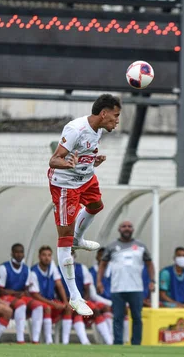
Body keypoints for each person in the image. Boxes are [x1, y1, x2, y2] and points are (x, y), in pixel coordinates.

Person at [48, 94, 122, 315]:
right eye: (116, 116)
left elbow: (86, 152)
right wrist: (66, 162)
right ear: (104, 113)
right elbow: (54, 160)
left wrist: (93, 159)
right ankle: (75, 296)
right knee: (64, 240)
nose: (117, 121)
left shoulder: (98, 129)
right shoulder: (75, 129)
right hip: (66, 186)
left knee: (96, 206)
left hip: (86, 178)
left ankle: (79, 239)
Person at [98, 221, 155, 345]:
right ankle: (118, 343)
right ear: (119, 229)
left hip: (136, 288)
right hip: (117, 288)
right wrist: (99, 282)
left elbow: (149, 264)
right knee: (117, 317)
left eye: (129, 226)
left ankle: (136, 343)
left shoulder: (141, 246)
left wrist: (152, 281)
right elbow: (103, 264)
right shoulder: (112, 246)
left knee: (136, 317)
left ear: (133, 229)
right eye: (124, 226)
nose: (127, 228)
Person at [0, 243, 44, 344]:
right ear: (12, 253)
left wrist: (22, 293)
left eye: (21, 252)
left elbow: (25, 289)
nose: (19, 254)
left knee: (38, 306)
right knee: (21, 304)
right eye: (16, 252)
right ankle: (20, 339)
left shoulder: (26, 269)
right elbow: (0, 290)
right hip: (4, 298)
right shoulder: (3, 268)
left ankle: (35, 340)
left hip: (18, 297)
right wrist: (17, 293)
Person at [28, 245, 74, 345]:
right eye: (44, 255)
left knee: (67, 308)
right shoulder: (33, 271)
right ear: (39, 257)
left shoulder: (52, 268)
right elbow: (35, 295)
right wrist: (53, 304)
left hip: (49, 301)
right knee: (48, 308)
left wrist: (66, 302)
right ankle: (49, 340)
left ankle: (65, 342)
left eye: (49, 255)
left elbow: (59, 285)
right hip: (37, 302)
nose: (47, 257)